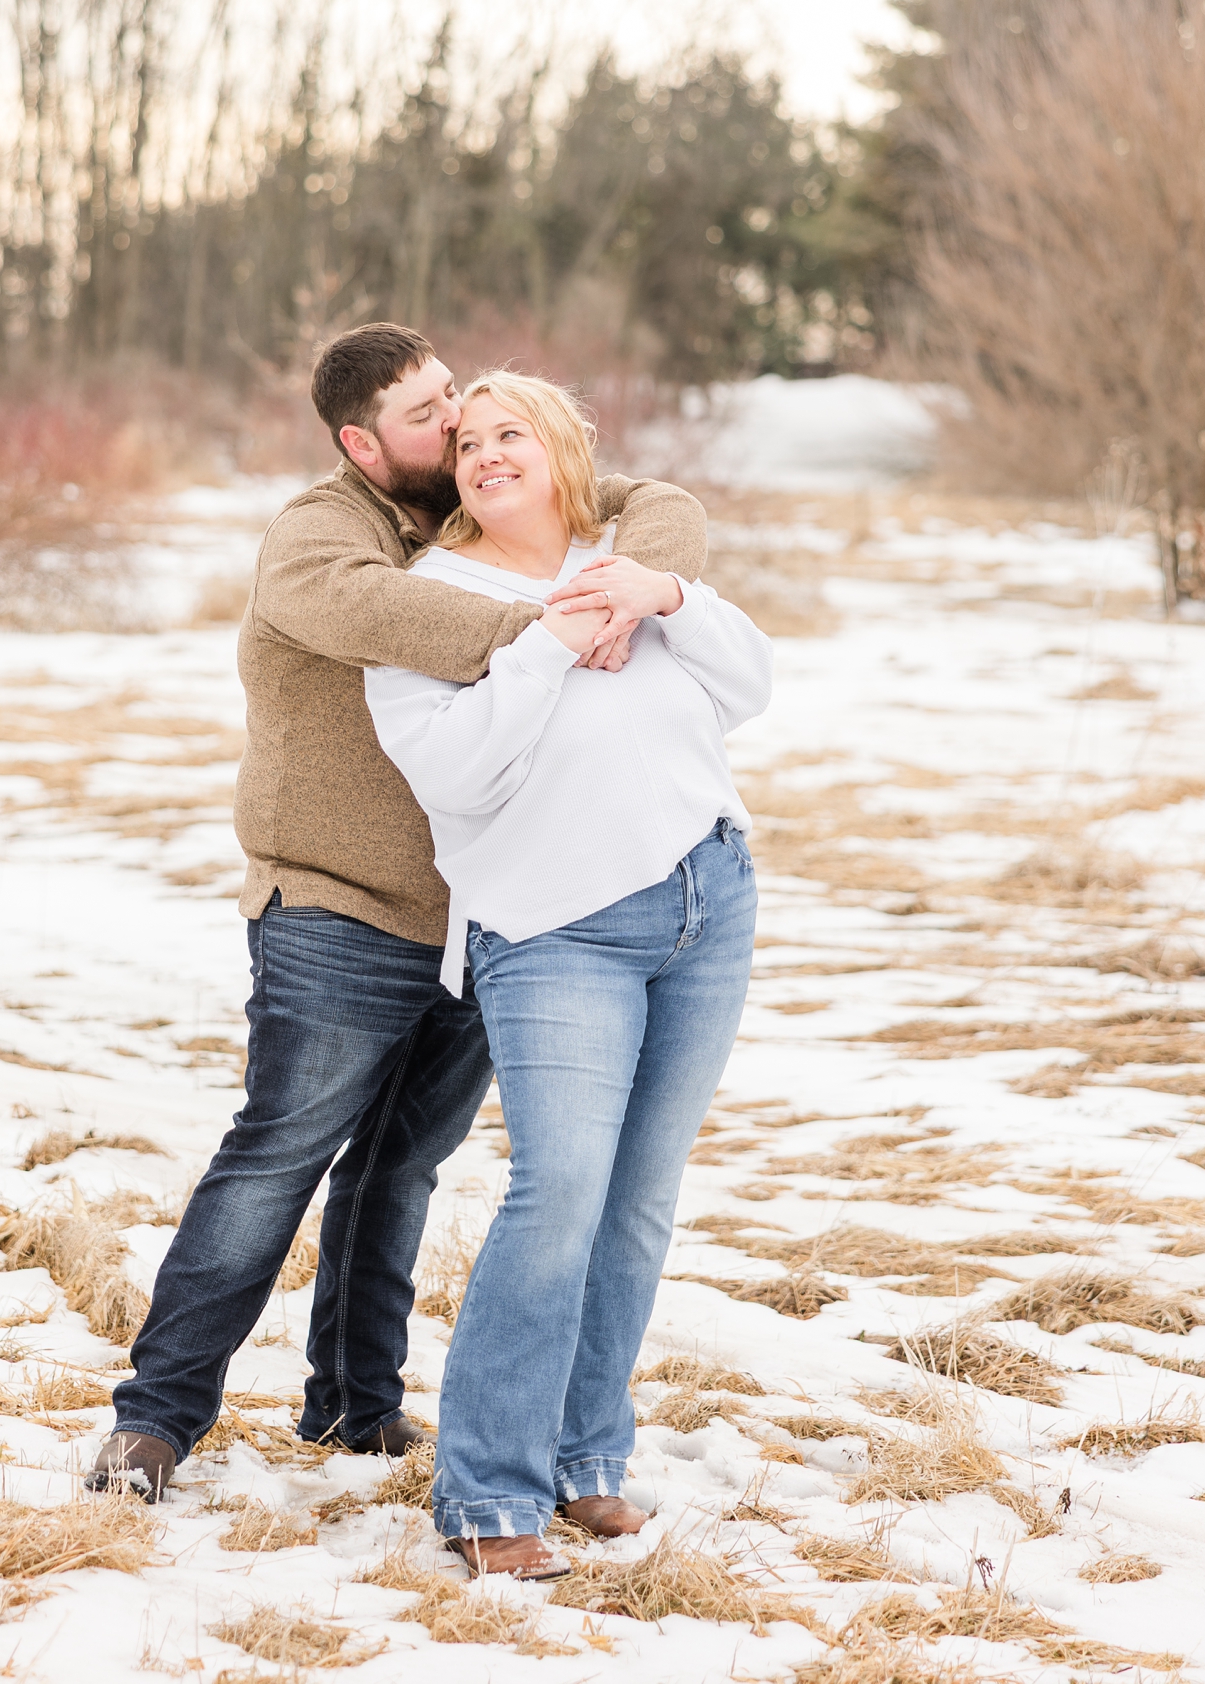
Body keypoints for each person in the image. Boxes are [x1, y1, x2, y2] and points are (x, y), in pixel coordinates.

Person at [87, 325, 706, 1501]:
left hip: (490, 916)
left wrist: (645, 586)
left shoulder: (482, 506)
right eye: (430, 418)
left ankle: (355, 1407)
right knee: (280, 1156)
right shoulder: (324, 535)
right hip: (338, 904)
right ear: (361, 444)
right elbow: (386, 617)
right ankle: (156, 1419)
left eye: (461, 404)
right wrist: (558, 620)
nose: (459, 427)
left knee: (400, 1168)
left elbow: (656, 501)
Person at [364, 370, 773, 1579]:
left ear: (563, 448)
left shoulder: (624, 561)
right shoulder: (431, 604)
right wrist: (546, 644)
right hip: (556, 933)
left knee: (640, 1199)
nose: (489, 452)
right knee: (559, 1196)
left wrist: (668, 596)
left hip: (709, 899)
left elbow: (748, 687)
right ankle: (491, 1494)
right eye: (470, 440)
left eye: (513, 433)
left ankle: (587, 1461)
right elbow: (459, 775)